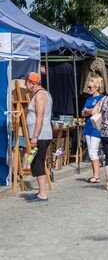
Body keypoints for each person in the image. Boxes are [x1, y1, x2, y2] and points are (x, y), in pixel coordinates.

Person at [25, 72, 53, 202]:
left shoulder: (40, 95)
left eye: (27, 82)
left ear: (32, 83)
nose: (25, 85)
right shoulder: (40, 94)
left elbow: (40, 117)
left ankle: (43, 193)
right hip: (41, 134)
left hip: (41, 135)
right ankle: (40, 191)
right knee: (36, 162)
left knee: (38, 163)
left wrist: (35, 136)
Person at [81, 77, 105, 183]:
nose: (88, 89)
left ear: (96, 87)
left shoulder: (102, 98)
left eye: (90, 87)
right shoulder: (89, 99)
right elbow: (82, 113)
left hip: (96, 127)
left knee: (93, 151)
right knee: (91, 151)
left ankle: (97, 176)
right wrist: (89, 111)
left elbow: (97, 111)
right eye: (88, 87)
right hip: (88, 126)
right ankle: (94, 174)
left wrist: (88, 110)